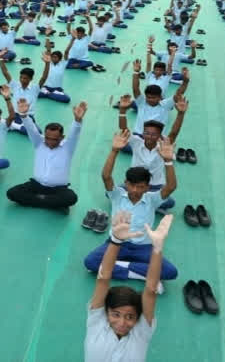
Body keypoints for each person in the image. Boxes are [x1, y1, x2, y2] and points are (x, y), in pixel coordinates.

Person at [84, 129, 178, 284]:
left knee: (170, 272)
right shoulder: (117, 195)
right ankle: (140, 273)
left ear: (148, 187)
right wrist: (114, 151)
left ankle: (115, 266)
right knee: (90, 262)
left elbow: (171, 187)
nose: (135, 190)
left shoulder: (152, 199)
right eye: (132, 185)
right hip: (117, 243)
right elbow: (106, 176)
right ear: (126, 183)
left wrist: (168, 161)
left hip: (144, 248)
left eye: (140, 186)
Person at [84, 212, 172, 362]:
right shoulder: (97, 322)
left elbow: (151, 290)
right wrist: (116, 241)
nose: (122, 323)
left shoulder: (141, 334)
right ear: (106, 312)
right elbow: (103, 278)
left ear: (138, 318)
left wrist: (157, 248)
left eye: (130, 317)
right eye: (116, 314)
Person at [6, 99, 87, 211]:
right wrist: (24, 115)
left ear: (62, 137)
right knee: (12, 193)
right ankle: (52, 203)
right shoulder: (39, 143)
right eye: (47, 138)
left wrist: (78, 121)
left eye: (54, 139)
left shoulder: (68, 148)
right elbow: (31, 130)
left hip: (58, 189)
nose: (50, 142)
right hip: (36, 185)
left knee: (71, 198)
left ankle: (37, 201)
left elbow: (74, 134)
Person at [119, 95, 187, 211]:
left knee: (170, 202)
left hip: (154, 187)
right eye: (147, 133)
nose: (150, 136)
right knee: (110, 192)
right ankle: (147, 203)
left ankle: (139, 202)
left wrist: (180, 114)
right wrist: (122, 111)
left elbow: (174, 132)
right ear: (143, 133)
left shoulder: (163, 146)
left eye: (154, 134)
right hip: (135, 184)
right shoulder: (137, 142)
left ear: (160, 135)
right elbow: (124, 129)